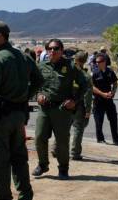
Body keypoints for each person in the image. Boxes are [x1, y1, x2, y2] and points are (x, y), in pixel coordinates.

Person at [0, 21, 43, 200]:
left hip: (0, 116)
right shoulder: (22, 56)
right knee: (19, 157)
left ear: (0, 36)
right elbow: (38, 79)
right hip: (19, 114)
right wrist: (25, 96)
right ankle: (25, 195)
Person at [33, 38, 87, 180]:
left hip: (62, 110)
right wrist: (38, 95)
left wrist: (74, 101)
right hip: (45, 108)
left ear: (61, 51)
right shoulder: (41, 66)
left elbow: (84, 84)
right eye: (50, 49)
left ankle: (63, 168)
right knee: (39, 137)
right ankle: (43, 164)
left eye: (56, 48)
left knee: (62, 141)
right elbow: (35, 85)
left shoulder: (70, 66)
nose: (53, 51)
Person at [92, 53, 118, 145]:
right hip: (98, 100)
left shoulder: (110, 72)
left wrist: (113, 92)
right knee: (99, 120)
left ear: (104, 62)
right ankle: (100, 138)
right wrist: (102, 94)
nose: (97, 63)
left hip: (109, 99)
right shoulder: (94, 73)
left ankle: (116, 138)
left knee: (113, 118)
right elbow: (91, 87)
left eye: (100, 62)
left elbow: (115, 83)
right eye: (96, 62)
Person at [70, 51, 93, 160]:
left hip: (66, 103)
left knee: (63, 128)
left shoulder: (69, 72)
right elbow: (87, 95)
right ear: (85, 61)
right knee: (78, 128)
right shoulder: (86, 76)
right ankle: (75, 153)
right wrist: (88, 110)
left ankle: (56, 149)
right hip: (79, 105)